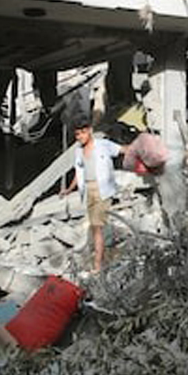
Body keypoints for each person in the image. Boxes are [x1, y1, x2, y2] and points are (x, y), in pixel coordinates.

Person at [60, 114, 124, 272]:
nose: (80, 137)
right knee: (97, 226)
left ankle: (98, 264)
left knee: (96, 227)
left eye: (82, 133)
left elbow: (122, 150)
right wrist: (69, 189)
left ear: (89, 131)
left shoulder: (103, 145)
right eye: (77, 135)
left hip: (103, 190)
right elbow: (78, 172)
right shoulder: (79, 152)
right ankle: (102, 257)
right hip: (88, 190)